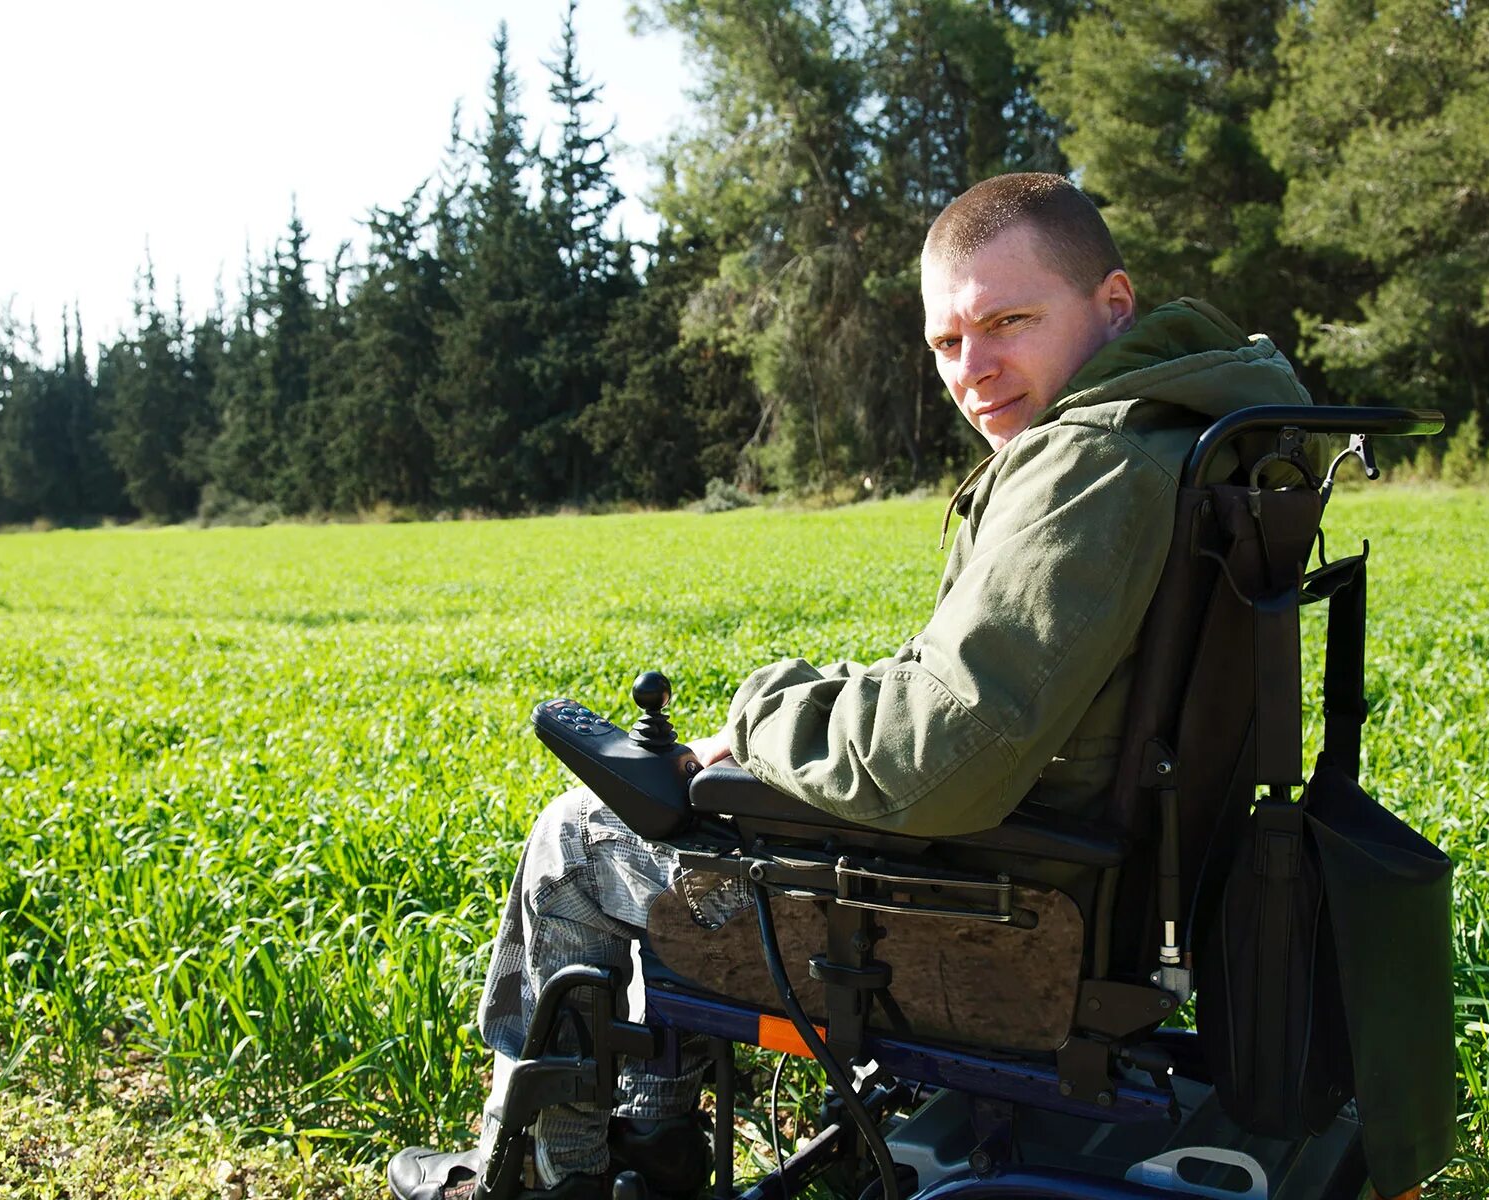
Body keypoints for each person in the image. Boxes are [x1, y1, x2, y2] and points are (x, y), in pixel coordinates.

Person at [388, 172, 1316, 1200]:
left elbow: (938, 760)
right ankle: (648, 1143)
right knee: (682, 810)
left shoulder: (1087, 464)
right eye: (948, 343)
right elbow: (973, 685)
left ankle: (538, 1172)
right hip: (1081, 870)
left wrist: (758, 709)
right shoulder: (1179, 427)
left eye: (1010, 321)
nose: (977, 370)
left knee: (582, 835)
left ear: (1114, 303)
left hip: (1007, 909)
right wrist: (799, 720)